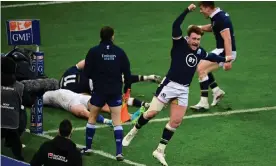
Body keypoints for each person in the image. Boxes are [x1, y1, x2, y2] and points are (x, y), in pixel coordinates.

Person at [122, 4, 232, 166]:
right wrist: (187, 10)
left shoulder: (199, 51)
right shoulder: (179, 44)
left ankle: (159, 150)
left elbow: (210, 56)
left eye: (198, 39)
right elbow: (175, 25)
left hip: (183, 90)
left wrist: (225, 59)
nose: (196, 42)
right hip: (169, 85)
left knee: (176, 121)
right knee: (151, 113)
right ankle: (135, 130)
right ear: (188, 38)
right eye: (194, 39)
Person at [81, 26, 132, 161]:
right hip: (115, 91)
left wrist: (96, 78)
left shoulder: (93, 52)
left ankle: (88, 147)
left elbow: (86, 72)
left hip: (99, 90)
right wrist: (127, 88)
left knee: (92, 117)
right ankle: (119, 153)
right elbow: (127, 73)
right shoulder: (119, 52)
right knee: (117, 121)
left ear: (101, 36)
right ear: (112, 36)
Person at [190, 1, 237, 111]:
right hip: (221, 50)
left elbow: (227, 39)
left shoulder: (221, 18)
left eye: (201, 9)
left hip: (225, 52)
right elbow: (213, 27)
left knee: (201, 68)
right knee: (201, 64)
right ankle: (217, 91)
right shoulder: (216, 16)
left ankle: (204, 103)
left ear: (208, 8)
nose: (201, 11)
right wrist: (199, 27)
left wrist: (228, 60)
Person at [1, 56, 25, 161]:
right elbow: (27, 100)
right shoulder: (19, 87)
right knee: (22, 110)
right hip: (13, 124)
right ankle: (18, 157)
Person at [43, 89, 112, 125]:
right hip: (71, 98)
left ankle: (114, 114)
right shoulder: (47, 95)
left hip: (74, 97)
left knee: (89, 109)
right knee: (84, 112)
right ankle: (110, 117)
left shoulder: (47, 95)